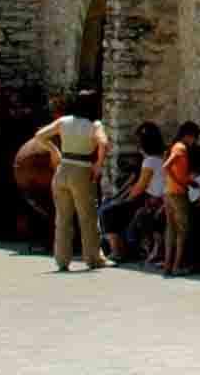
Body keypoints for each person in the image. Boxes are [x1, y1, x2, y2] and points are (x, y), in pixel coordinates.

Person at [25, 91, 111, 272]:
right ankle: (94, 258)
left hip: (62, 169)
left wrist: (54, 150)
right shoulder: (94, 125)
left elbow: (39, 135)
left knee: (63, 218)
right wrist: (98, 165)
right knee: (87, 217)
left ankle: (62, 260)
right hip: (81, 169)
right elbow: (104, 143)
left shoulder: (64, 122)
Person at [103, 122, 165, 265]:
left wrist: (124, 201)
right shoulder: (161, 158)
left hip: (150, 200)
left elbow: (140, 187)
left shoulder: (149, 162)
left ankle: (117, 251)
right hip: (157, 199)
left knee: (109, 212)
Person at [160, 120, 200, 278]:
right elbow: (167, 166)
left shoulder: (174, 146)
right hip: (177, 193)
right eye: (194, 138)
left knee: (170, 230)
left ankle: (167, 266)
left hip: (169, 193)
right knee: (183, 231)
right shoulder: (181, 148)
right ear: (189, 136)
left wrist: (183, 181)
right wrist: (181, 183)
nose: (194, 142)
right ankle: (177, 266)